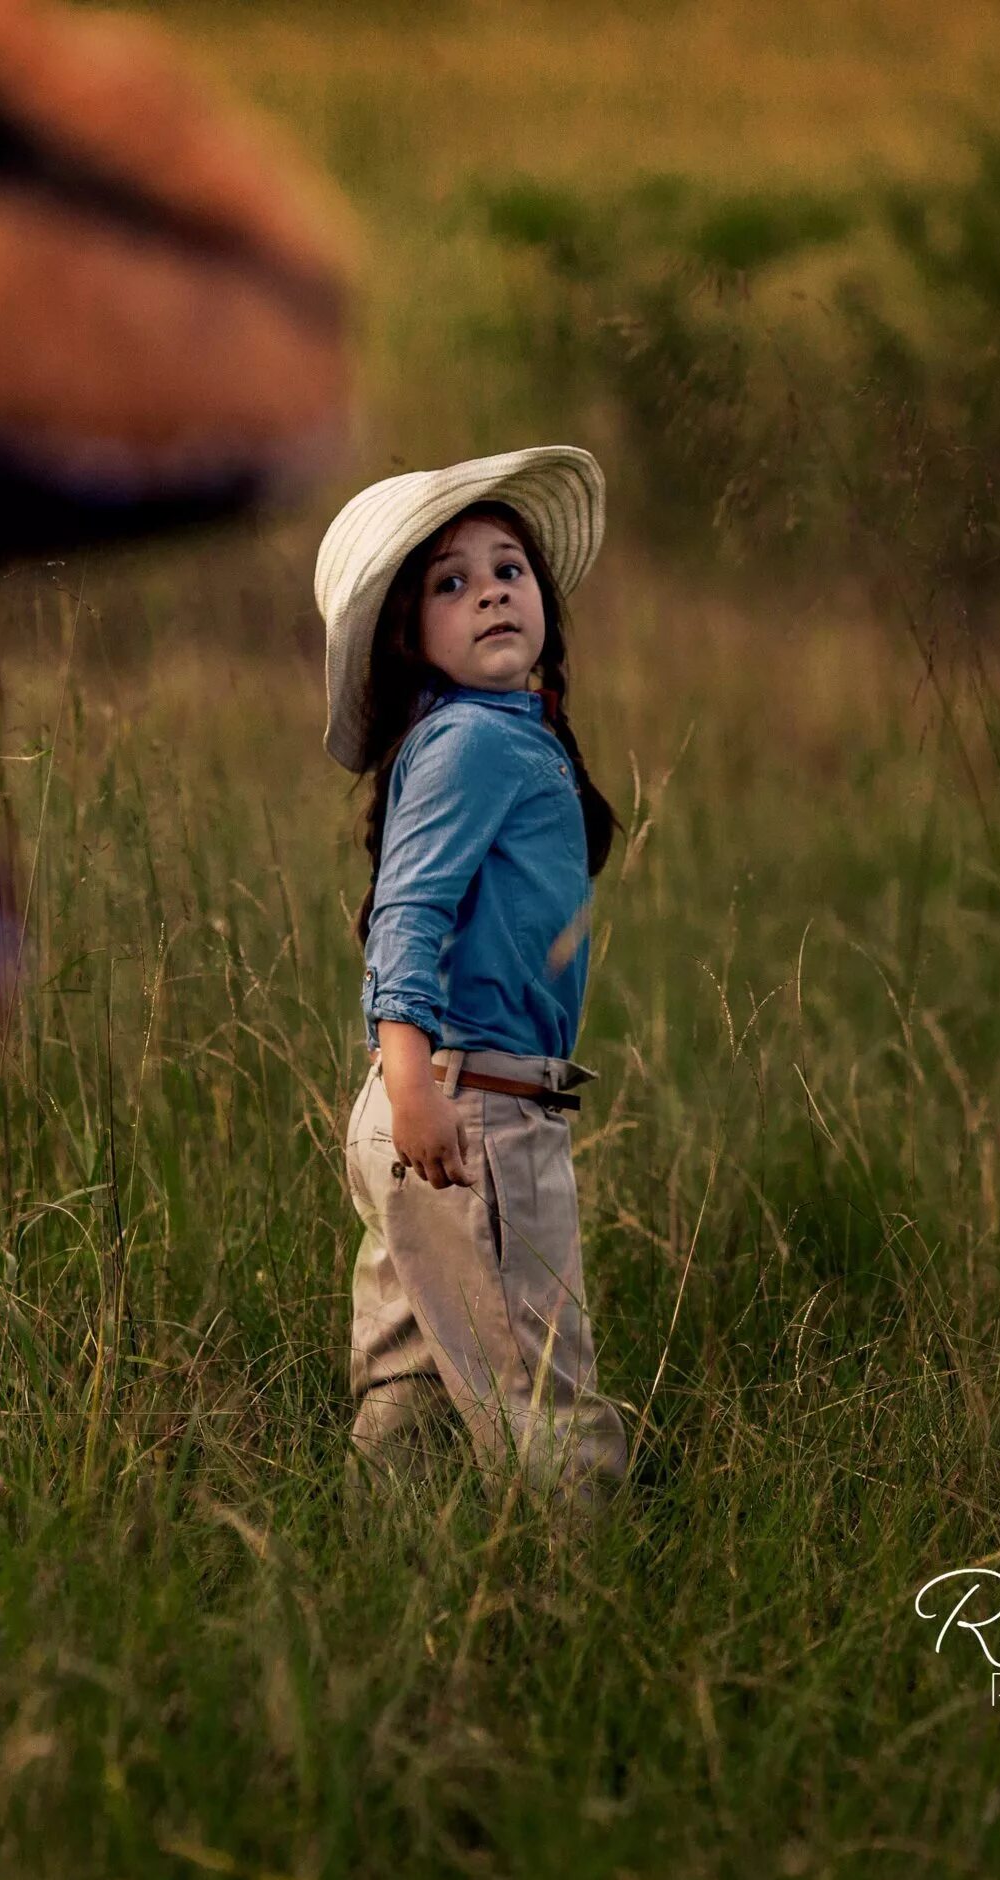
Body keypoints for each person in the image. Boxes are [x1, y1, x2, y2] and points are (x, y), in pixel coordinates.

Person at [312, 446, 630, 1511]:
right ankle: (593, 1596)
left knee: (406, 1379)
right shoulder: (470, 747)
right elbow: (407, 914)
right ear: (410, 634)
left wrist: (404, 1091)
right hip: (464, 1106)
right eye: (451, 581)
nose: (492, 587)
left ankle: (375, 1566)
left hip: (427, 1105)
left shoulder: (501, 735)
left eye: (510, 567)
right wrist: (413, 1085)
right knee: (542, 1386)